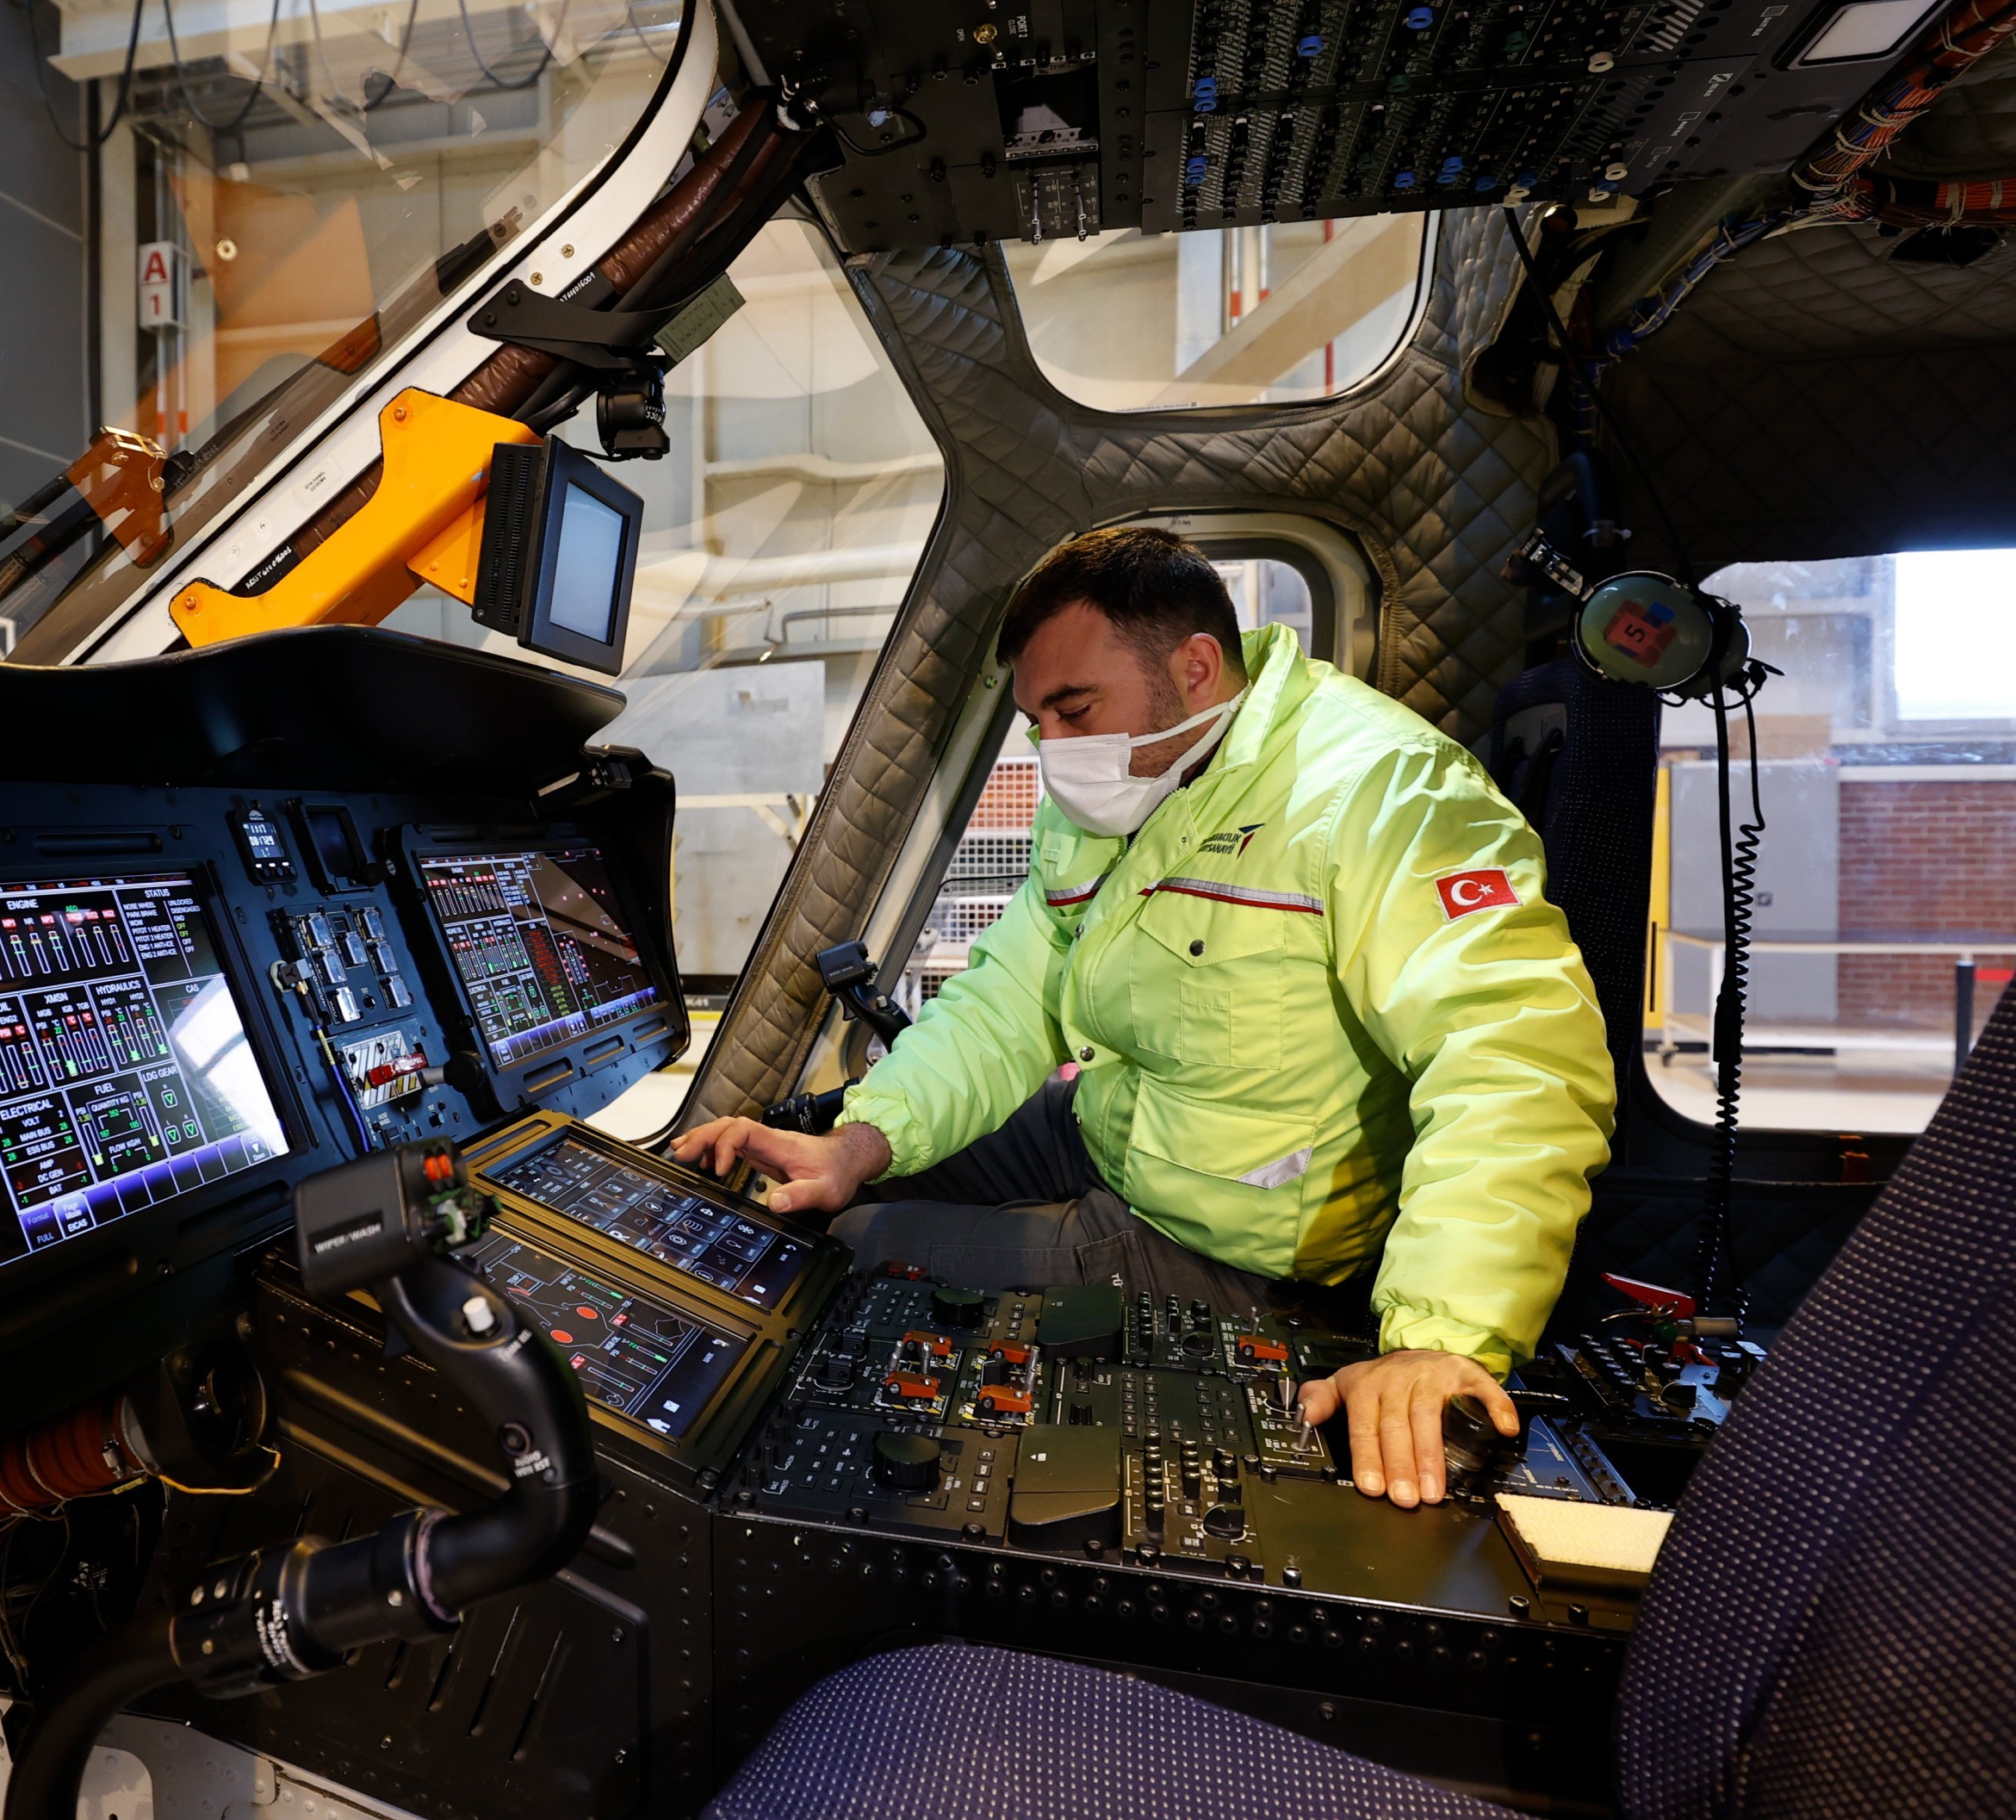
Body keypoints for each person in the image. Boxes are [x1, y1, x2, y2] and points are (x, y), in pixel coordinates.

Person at [672, 527, 1615, 1511]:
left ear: (1195, 667)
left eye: (1075, 708)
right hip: (1113, 1123)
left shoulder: (1380, 793)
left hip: (1230, 1232)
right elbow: (1010, 996)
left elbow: (1516, 1060)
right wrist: (859, 1140)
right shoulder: (1121, 784)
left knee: (852, 1253)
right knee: (810, 1187)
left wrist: (1438, 1339)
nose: (1055, 749)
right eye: (1037, 720)